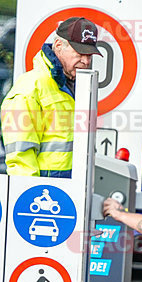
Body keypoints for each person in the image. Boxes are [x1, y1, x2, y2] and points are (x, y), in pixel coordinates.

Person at [1, 17, 102, 177]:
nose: (86, 61)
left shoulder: (78, 86)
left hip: (71, 191)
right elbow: (20, 159)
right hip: (48, 191)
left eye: (90, 55)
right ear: (58, 45)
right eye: (80, 52)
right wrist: (29, 195)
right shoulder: (30, 88)